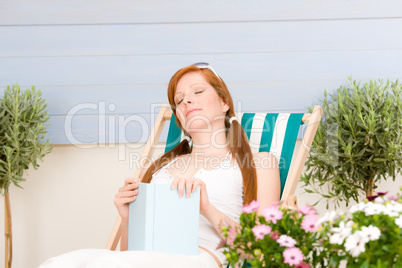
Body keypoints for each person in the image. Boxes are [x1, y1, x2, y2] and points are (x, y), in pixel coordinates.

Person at [39, 62, 281, 268]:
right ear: (179, 117)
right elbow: (130, 254)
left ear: (224, 101)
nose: (187, 100)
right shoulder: (163, 166)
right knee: (60, 263)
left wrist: (207, 208)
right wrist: (127, 218)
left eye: (197, 92)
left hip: (196, 258)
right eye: (180, 100)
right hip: (144, 258)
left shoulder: (258, 163)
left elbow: (262, 252)